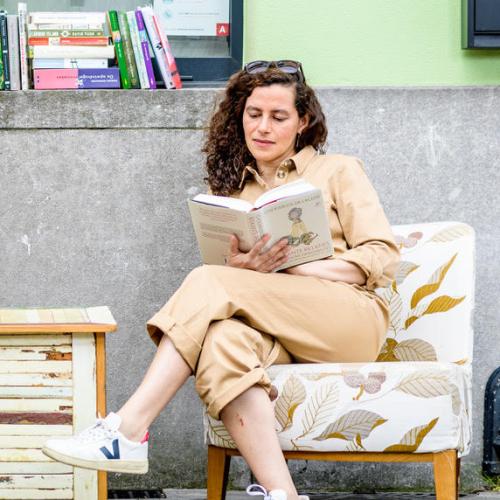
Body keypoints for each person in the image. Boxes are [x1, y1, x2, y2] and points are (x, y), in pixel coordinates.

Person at [42, 60, 400, 500]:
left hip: (349, 320)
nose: (263, 127)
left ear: (303, 121)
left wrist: (294, 266)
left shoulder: (339, 170)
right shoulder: (234, 191)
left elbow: (382, 256)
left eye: (278, 116)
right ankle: (283, 495)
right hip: (278, 326)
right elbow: (229, 290)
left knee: (209, 281)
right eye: (254, 114)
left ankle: (128, 428)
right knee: (221, 342)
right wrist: (245, 270)